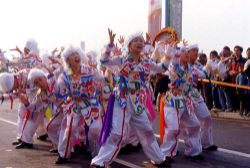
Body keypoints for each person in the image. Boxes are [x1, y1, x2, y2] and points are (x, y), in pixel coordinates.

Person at [90, 29, 171, 168]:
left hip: (138, 101)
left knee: (147, 131)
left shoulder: (146, 61)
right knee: (117, 133)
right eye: (136, 41)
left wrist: (169, 53)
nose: (139, 43)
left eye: (141, 40)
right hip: (122, 99)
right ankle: (99, 162)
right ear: (129, 45)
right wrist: (110, 45)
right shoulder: (121, 59)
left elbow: (161, 68)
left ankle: (159, 159)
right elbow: (103, 61)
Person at [56, 46, 103, 164]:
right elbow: (60, 91)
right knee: (70, 128)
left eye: (77, 53)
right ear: (67, 60)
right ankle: (63, 155)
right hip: (74, 103)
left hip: (90, 103)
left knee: (95, 129)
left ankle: (96, 154)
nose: (76, 56)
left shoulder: (90, 70)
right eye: (72, 55)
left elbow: (101, 80)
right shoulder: (65, 75)